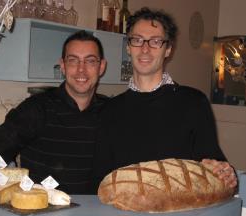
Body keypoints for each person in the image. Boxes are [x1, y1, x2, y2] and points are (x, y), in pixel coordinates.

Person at [95, 7, 237, 188]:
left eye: (155, 41)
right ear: (128, 47)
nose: (145, 49)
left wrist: (222, 170)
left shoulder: (193, 102)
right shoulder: (109, 110)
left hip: (179, 211)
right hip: (124, 211)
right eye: (137, 40)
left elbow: (211, 161)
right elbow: (101, 178)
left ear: (168, 49)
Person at [0, 30, 108, 194]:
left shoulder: (112, 111)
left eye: (90, 61)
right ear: (62, 66)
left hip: (97, 211)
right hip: (43, 211)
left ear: (101, 67)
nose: (81, 70)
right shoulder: (37, 107)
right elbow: (3, 143)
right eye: (73, 61)